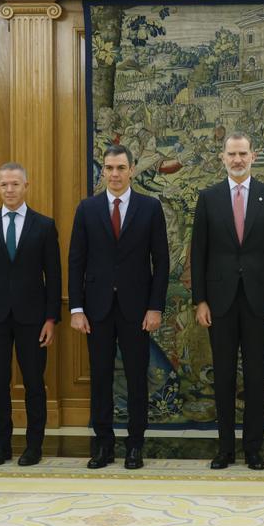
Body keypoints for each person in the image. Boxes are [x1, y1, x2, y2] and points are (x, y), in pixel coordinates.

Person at [191, 132, 264, 470]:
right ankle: (224, 449)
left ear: (253, 156)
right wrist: (200, 301)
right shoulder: (208, 198)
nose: (237, 159)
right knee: (223, 378)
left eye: (242, 153)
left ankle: (252, 449)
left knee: (256, 376)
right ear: (223, 157)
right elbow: (198, 253)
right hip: (218, 302)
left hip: (259, 302)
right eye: (231, 154)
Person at [68, 144, 170, 470]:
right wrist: (76, 309)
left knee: (137, 378)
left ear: (132, 169)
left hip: (137, 310)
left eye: (121, 168)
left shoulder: (150, 208)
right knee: (100, 378)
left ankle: (135, 445)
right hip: (96, 310)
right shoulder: (87, 209)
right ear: (104, 171)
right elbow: (75, 262)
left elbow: (162, 262)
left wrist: (155, 308)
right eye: (109, 168)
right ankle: (103, 446)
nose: (114, 174)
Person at [0, 162, 62, 467]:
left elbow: (54, 276)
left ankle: (34, 446)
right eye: (4, 185)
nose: (9, 190)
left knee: (34, 384)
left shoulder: (44, 225)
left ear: (26, 186)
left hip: (33, 319)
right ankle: (2, 446)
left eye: (15, 184)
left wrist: (51, 319)